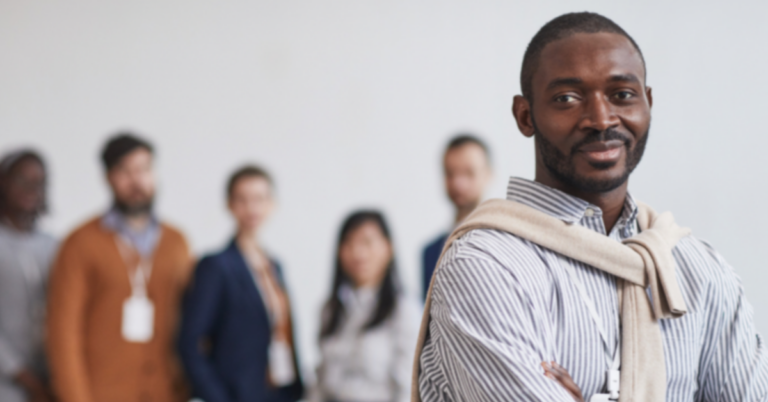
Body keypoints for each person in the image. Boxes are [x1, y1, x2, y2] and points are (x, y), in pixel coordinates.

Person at [415, 12, 768, 402]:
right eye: (567, 98)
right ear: (525, 116)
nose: (601, 119)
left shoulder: (697, 268)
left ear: (648, 103)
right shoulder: (486, 266)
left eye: (622, 95)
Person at [46, 133, 193, 402]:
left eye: (144, 169)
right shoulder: (80, 243)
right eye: (125, 171)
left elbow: (192, 320)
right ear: (108, 177)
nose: (136, 181)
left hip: (165, 392)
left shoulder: (176, 242)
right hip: (103, 392)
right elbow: (63, 333)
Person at [178, 165, 304, 402]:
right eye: (242, 200)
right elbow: (189, 343)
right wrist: (218, 397)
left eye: (259, 199)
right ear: (229, 205)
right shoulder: (216, 266)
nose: (251, 208)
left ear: (272, 204)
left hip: (277, 392)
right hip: (238, 394)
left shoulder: (274, 266)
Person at [311, 211, 421, 402]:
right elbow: (320, 382)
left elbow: (407, 388)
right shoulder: (330, 309)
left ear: (388, 248)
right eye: (349, 243)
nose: (358, 253)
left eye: (367, 243)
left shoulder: (404, 310)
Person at [0, 150, 57, 402]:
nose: (31, 189)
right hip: (7, 382)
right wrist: (22, 375)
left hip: (49, 378)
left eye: (39, 182)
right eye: (22, 180)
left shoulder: (54, 246)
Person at [422, 135, 492, 298]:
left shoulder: (506, 242)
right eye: (450, 173)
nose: (458, 183)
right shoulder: (429, 253)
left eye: (469, 173)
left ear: (488, 175)